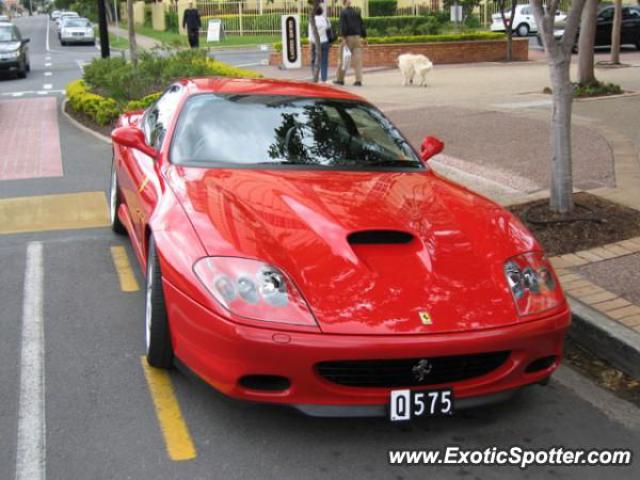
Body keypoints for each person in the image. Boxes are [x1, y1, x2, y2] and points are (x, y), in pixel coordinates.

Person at [334, 0, 366, 86]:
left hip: (347, 38)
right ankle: (358, 80)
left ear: (343, 3)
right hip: (357, 38)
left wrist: (343, 38)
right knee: (358, 60)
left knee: (342, 58)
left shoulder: (343, 13)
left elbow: (343, 26)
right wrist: (363, 36)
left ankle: (340, 79)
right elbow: (362, 25)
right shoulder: (357, 12)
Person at [308, 6, 330, 83]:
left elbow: (311, 34)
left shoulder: (312, 20)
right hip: (324, 41)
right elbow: (329, 28)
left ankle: (315, 77)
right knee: (324, 61)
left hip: (314, 42)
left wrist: (310, 43)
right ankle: (324, 79)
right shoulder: (325, 19)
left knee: (313, 60)